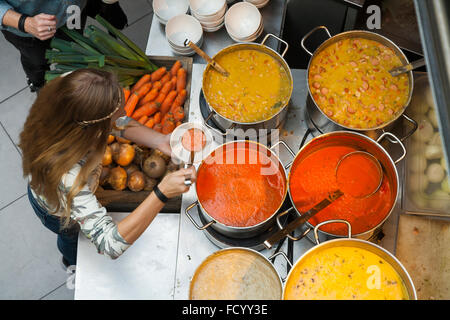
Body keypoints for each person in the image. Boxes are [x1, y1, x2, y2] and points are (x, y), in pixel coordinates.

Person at [19, 68, 196, 268]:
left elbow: (116, 120)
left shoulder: (73, 87)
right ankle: (70, 263)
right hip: (58, 210)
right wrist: (162, 192)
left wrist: (159, 140)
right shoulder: (68, 175)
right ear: (94, 129)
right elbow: (111, 245)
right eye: (117, 114)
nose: (124, 114)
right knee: (71, 239)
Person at [0, 0, 127, 92]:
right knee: (36, 59)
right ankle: (38, 83)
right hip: (27, 24)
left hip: (73, 10)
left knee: (74, 45)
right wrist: (24, 23)